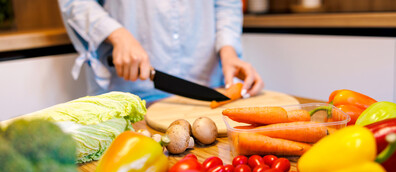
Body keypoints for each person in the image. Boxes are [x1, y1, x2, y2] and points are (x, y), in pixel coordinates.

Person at [58, 0, 264, 103]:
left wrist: (228, 51)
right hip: (128, 90)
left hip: (207, 84)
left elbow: (227, 4)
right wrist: (116, 34)